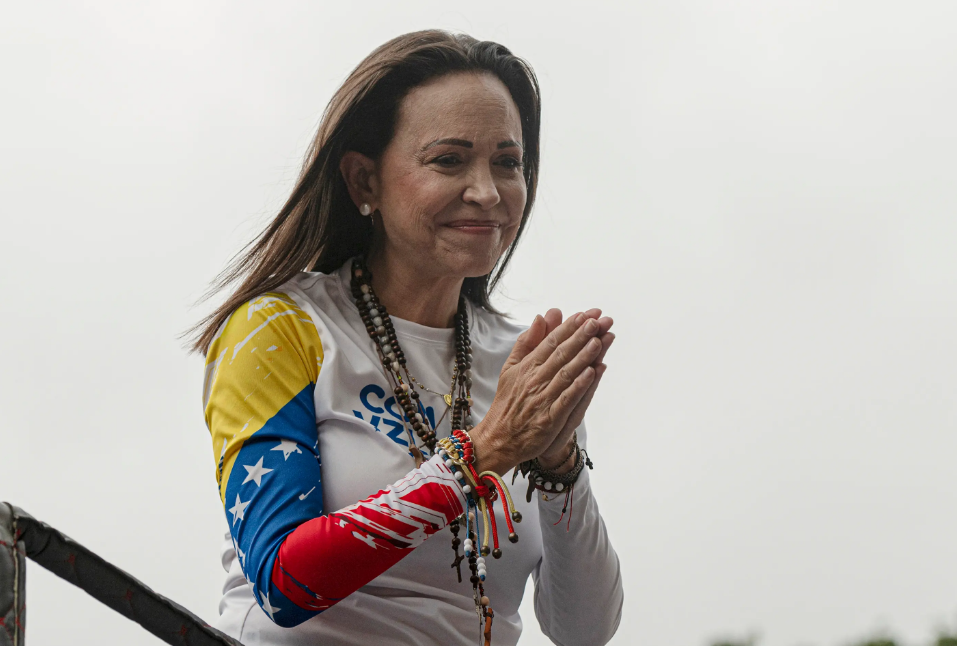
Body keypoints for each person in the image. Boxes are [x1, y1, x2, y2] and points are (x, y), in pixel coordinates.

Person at [192, 29, 623, 646]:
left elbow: (584, 631)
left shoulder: (523, 365)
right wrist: (486, 451)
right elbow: (285, 580)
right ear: (364, 181)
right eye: (449, 160)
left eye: (508, 162)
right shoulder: (279, 328)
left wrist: (558, 464)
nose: (488, 192)